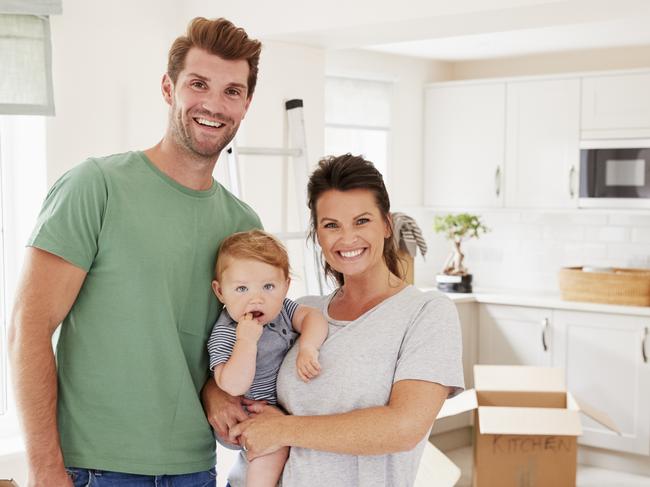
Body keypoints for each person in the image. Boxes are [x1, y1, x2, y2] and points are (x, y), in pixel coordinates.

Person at [8, 17, 263, 487]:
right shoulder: (96, 187)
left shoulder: (243, 226)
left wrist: (212, 392)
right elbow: (29, 326)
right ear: (169, 88)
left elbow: (219, 346)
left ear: (246, 104)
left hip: (192, 468)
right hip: (94, 468)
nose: (213, 104)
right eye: (198, 84)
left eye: (232, 91)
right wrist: (44, 467)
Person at [223, 154, 465, 487]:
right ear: (318, 235)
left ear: (386, 224)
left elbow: (403, 428)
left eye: (362, 221)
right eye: (331, 225)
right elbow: (238, 367)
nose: (347, 238)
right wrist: (215, 397)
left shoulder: (426, 313)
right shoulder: (299, 314)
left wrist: (283, 429)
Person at [207, 229, 328, 487]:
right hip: (252, 414)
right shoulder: (227, 332)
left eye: (269, 286)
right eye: (241, 288)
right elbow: (232, 385)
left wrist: (308, 346)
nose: (256, 298)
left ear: (286, 286)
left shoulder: (283, 309)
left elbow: (313, 318)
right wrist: (246, 342)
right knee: (271, 453)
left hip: (287, 412)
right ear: (220, 292)